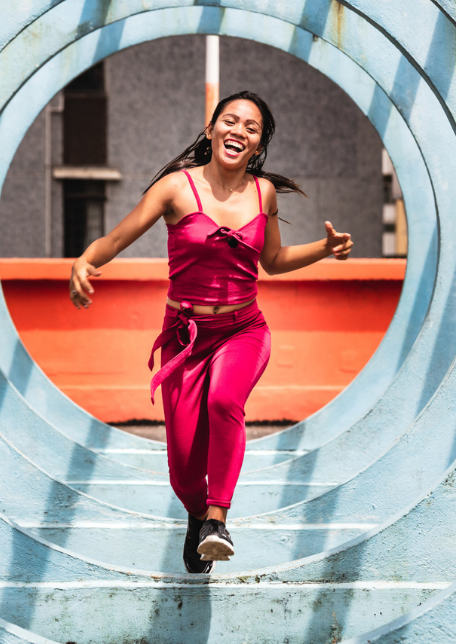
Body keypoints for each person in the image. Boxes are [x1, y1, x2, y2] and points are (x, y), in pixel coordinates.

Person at [69, 91, 353, 573]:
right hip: (184, 338)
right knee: (183, 470)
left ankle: (218, 520)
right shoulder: (175, 189)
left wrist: (323, 249)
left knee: (224, 401)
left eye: (251, 127)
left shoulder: (262, 193)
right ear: (211, 129)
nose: (239, 130)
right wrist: (85, 261)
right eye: (230, 120)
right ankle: (199, 516)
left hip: (243, 330)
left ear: (258, 144)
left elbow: (273, 261)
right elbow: (115, 238)